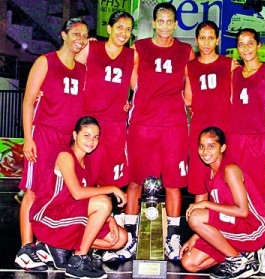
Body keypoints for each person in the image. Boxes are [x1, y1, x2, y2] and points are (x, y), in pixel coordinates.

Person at [117, 2, 195, 262]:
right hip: (142, 123)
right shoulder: (139, 48)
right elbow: (130, 79)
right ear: (153, 23)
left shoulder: (186, 51)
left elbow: (192, 84)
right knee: (135, 182)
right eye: (159, 21)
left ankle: (172, 238)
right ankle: (129, 237)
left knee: (173, 183)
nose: (164, 25)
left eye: (168, 21)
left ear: (175, 23)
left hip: (173, 125)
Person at [14, 18, 89, 271]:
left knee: (55, 192)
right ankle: (26, 247)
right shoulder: (45, 61)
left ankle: (46, 244)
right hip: (44, 135)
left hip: (66, 140)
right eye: (76, 33)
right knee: (33, 189)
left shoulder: (82, 70)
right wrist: (28, 138)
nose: (80, 38)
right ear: (63, 35)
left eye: (84, 35)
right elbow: (27, 102)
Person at [29, 116, 127, 279]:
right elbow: (77, 193)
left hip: (71, 217)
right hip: (49, 218)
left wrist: (110, 219)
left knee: (119, 238)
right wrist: (113, 188)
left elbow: (86, 199)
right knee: (103, 201)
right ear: (75, 135)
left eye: (95, 137)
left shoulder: (87, 163)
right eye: (86, 135)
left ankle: (62, 248)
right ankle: (78, 260)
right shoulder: (65, 156)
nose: (91, 141)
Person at [75, 11, 137, 263]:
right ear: (109, 28)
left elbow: (140, 86)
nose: (123, 32)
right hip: (91, 126)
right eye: (119, 27)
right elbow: (68, 69)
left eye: (128, 28)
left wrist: (130, 102)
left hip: (115, 126)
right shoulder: (92, 49)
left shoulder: (132, 55)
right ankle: (82, 232)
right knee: (89, 178)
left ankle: (115, 235)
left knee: (115, 180)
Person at [180, 127, 265, 279]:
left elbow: (242, 211)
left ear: (222, 147)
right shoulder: (209, 175)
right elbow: (218, 216)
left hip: (253, 229)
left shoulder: (230, 169)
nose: (205, 151)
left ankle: (238, 261)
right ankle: (243, 255)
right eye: (202, 146)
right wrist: (195, 236)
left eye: (211, 146)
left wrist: (206, 204)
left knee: (195, 216)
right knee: (189, 263)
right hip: (233, 226)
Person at [227, 28, 265, 275]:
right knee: (242, 198)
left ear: (258, 45)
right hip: (237, 143)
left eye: (250, 43)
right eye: (241, 44)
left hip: (262, 142)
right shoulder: (235, 73)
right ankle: (247, 247)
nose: (246, 48)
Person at [184, 20, 237, 202]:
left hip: (224, 126)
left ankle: (225, 226)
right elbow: (188, 99)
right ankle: (200, 227)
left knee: (225, 178)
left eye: (211, 38)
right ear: (196, 41)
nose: (206, 43)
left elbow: (236, 96)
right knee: (200, 182)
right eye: (202, 38)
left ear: (217, 40)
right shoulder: (190, 67)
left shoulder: (229, 64)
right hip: (200, 129)